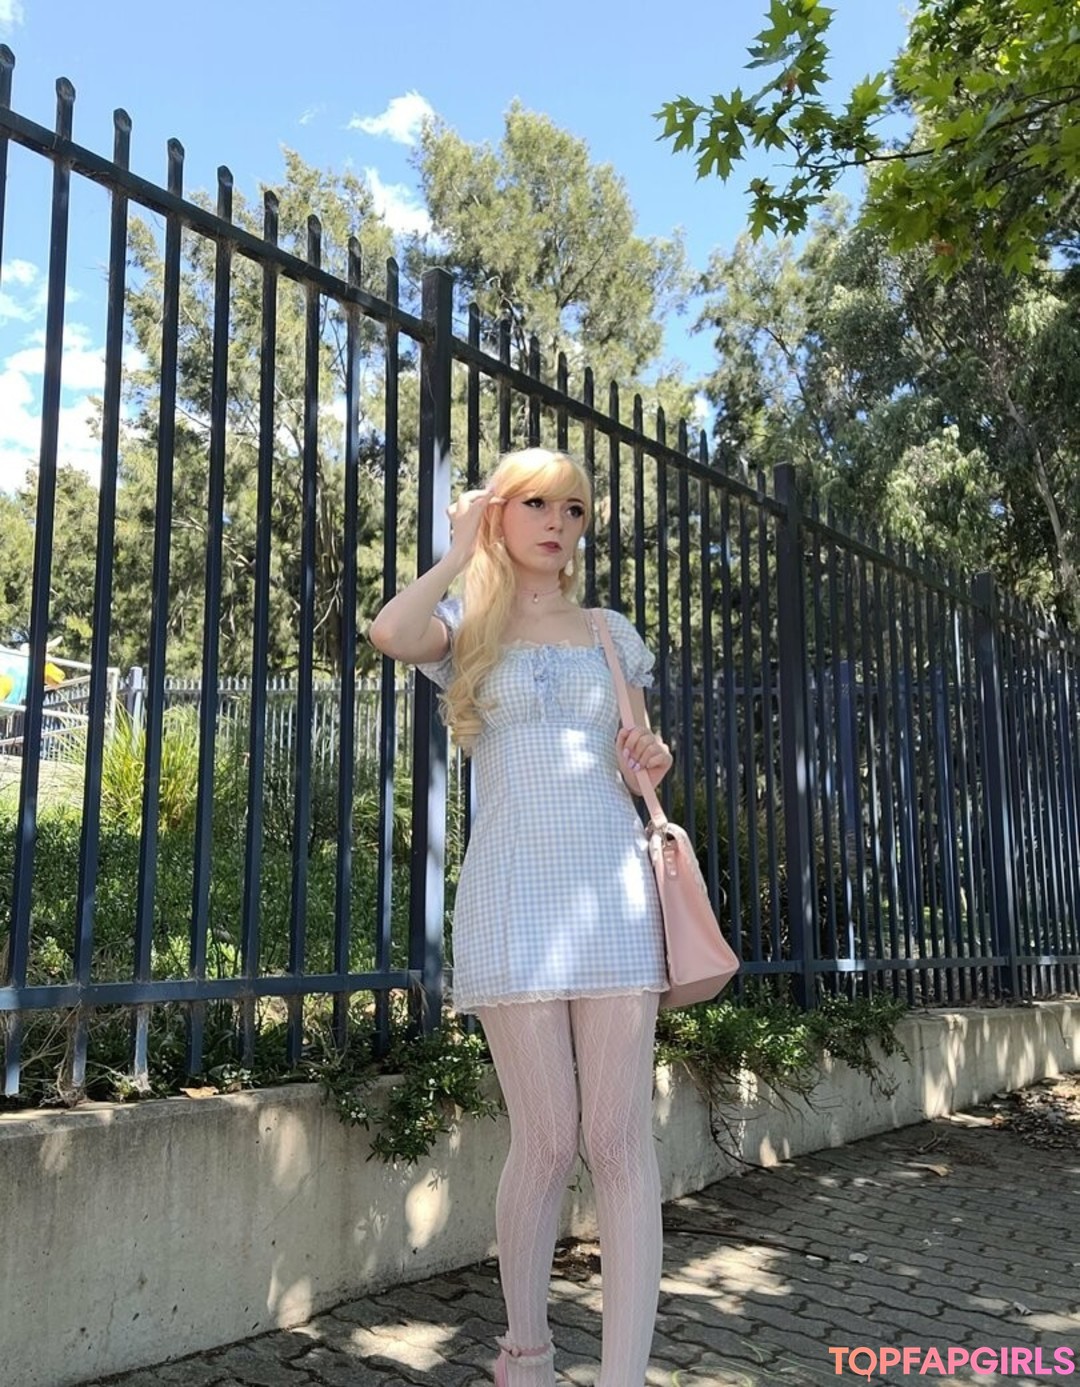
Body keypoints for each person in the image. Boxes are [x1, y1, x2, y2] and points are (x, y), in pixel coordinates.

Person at [369, 447, 673, 1387]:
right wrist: (459, 551)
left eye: (573, 509)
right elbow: (389, 630)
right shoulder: (469, 625)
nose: (557, 523)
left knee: (618, 1139)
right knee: (544, 1139)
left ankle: (623, 1377)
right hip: (512, 896)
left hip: (613, 893)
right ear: (499, 512)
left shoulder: (610, 631)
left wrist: (651, 757)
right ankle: (527, 1354)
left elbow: (639, 746)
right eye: (536, 503)